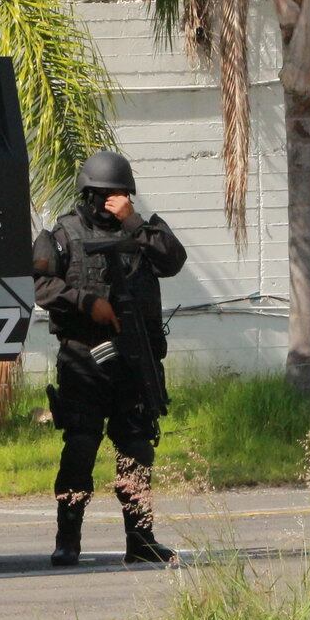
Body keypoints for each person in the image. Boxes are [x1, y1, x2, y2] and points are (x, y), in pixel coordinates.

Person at [33, 150, 187, 567]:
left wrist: (133, 221)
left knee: (136, 448)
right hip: (85, 360)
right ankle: (68, 539)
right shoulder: (62, 235)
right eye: (106, 195)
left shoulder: (143, 231)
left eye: (120, 195)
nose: (112, 201)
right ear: (90, 194)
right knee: (81, 446)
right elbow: (42, 286)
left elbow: (173, 261)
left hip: (135, 362)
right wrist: (87, 303)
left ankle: (140, 541)